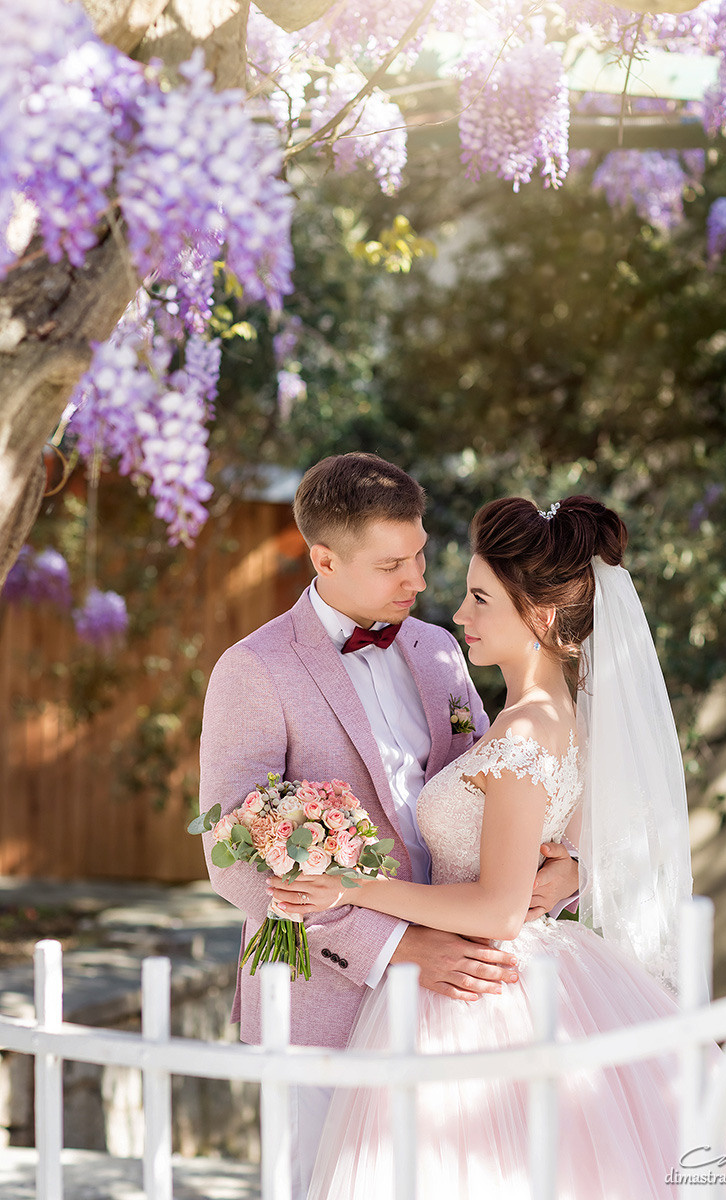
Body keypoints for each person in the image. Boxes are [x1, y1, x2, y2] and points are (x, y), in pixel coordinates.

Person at [272, 493, 726, 1199]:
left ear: (542, 616)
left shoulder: (522, 736)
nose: (458, 614)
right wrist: (568, 870)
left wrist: (351, 887)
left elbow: (496, 909)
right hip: (531, 964)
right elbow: (554, 857)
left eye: (481, 598)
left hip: (482, 986)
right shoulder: (558, 719)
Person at [198, 454, 579, 1198]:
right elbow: (234, 860)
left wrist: (566, 870)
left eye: (421, 556)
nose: (417, 580)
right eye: (393, 564)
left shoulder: (440, 651)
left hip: (456, 1006)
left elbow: (495, 798)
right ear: (324, 559)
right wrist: (398, 947)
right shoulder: (254, 670)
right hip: (321, 1008)